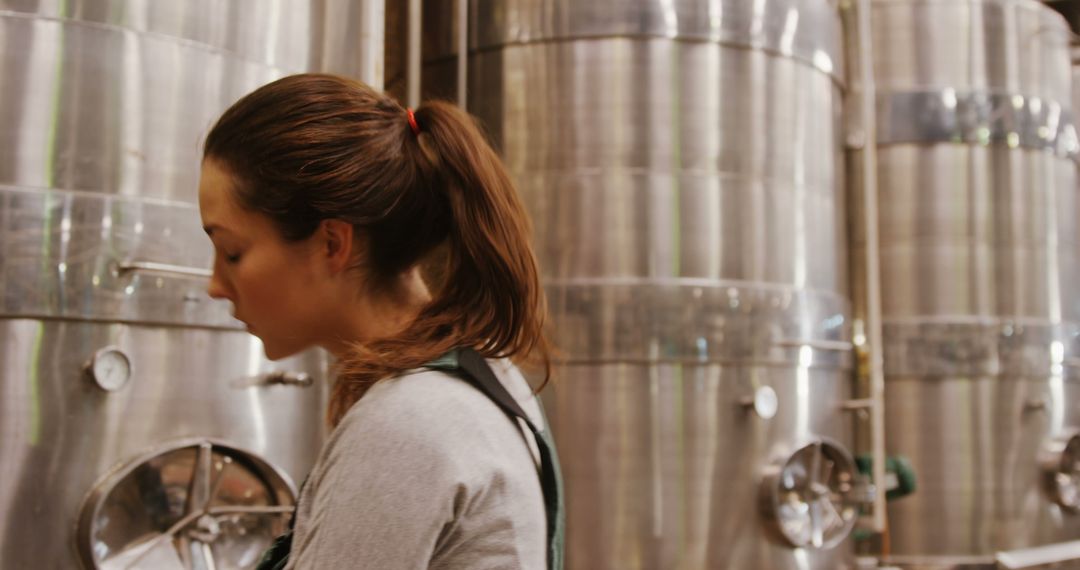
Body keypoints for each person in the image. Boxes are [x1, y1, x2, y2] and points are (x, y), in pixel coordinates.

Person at [197, 73, 564, 570]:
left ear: (332, 244)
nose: (215, 285)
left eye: (232, 252)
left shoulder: (409, 421)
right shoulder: (479, 374)